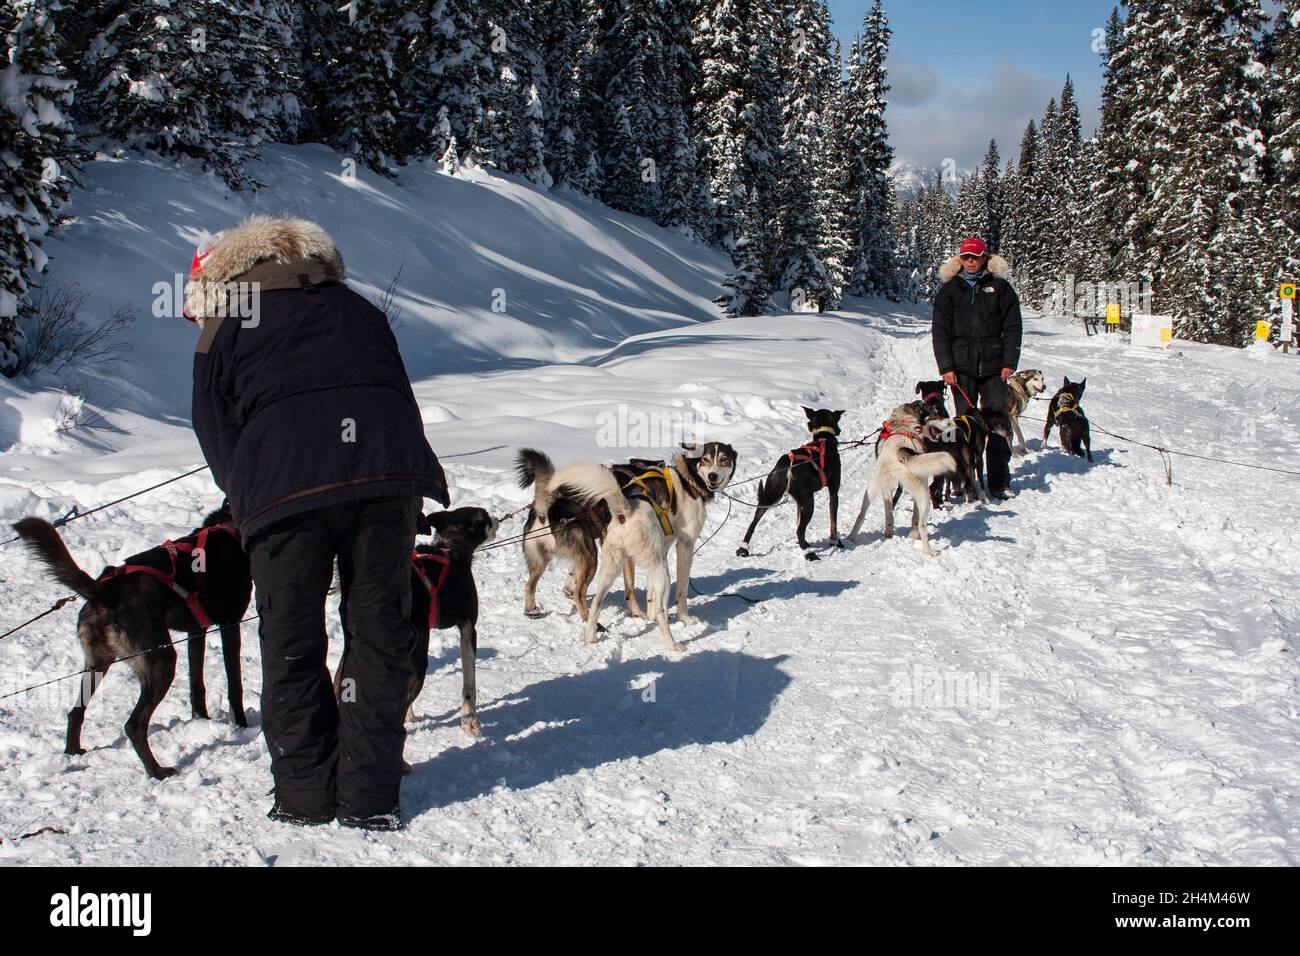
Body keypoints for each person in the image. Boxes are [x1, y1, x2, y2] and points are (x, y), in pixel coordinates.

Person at [186, 215, 449, 830]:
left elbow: (211, 421)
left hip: (285, 493)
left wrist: (245, 493)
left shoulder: (228, 321)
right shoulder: (359, 309)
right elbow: (395, 395)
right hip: (385, 480)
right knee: (380, 631)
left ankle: (305, 797)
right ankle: (370, 799)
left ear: (233, 271)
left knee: (292, 639)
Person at [931, 237, 1023, 499]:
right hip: (961, 370)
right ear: (960, 260)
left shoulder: (1000, 288)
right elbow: (940, 331)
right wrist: (946, 366)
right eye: (965, 257)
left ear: (985, 257)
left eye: (975, 256)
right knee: (963, 429)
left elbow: (1013, 327)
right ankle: (962, 478)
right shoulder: (950, 291)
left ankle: (999, 481)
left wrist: (1009, 362)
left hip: (995, 369)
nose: (970, 262)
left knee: (997, 425)